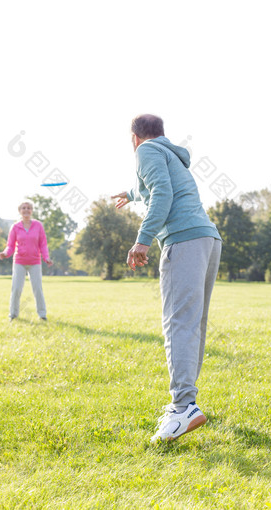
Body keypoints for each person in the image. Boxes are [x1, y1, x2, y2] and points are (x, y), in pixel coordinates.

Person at [112, 114, 222, 443]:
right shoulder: (169, 152)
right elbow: (153, 185)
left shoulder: (145, 152)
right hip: (207, 238)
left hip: (183, 239)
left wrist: (142, 240)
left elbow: (161, 193)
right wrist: (131, 193)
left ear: (134, 137)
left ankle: (182, 407)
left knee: (178, 323)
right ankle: (187, 404)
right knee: (193, 322)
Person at [0, 200, 53, 321]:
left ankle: (42, 315)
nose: (26, 210)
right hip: (19, 262)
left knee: (37, 288)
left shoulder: (38, 225)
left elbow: (43, 244)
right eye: (23, 208)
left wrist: (46, 257)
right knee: (16, 288)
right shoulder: (15, 227)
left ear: (32, 211)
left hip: (35, 262)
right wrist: (5, 253)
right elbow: (10, 245)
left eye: (28, 208)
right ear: (20, 211)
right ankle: (13, 314)